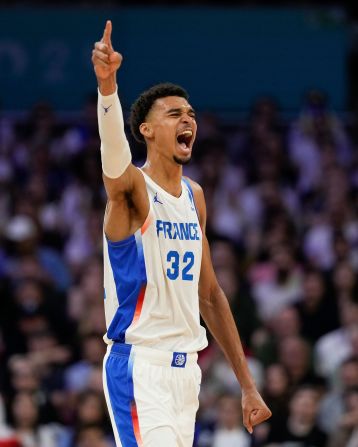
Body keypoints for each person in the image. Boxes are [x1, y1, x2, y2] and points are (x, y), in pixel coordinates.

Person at [91, 20, 271, 447]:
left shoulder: (195, 197)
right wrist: (107, 88)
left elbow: (209, 295)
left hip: (187, 375)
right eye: (174, 114)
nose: (187, 119)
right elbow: (113, 161)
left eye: (190, 114)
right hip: (140, 365)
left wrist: (246, 383)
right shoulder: (132, 191)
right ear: (146, 131)